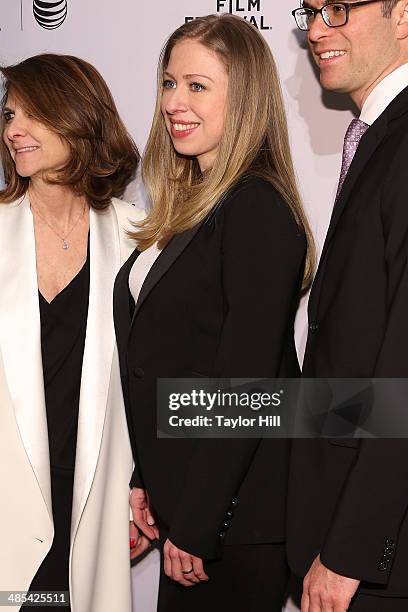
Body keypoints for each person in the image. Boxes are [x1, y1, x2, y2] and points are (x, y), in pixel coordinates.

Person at [114, 14, 314, 612]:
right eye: (169, 83)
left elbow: (247, 384)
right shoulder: (191, 208)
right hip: (193, 509)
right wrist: (147, 476)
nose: (174, 101)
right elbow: (178, 357)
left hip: (235, 524)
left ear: (245, 97)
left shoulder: (256, 208)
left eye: (197, 86)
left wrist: (200, 522)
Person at [0, 54, 144, 612]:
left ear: (79, 118)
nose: (14, 131)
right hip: (10, 508)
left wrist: (147, 489)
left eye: (33, 115)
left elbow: (147, 378)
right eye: (10, 115)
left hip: (93, 503)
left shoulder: (138, 239)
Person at [288, 1, 408, 611]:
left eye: (338, 7)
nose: (315, 29)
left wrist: (348, 552)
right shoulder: (374, 137)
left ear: (404, 15)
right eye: (309, 11)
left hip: (380, 556)